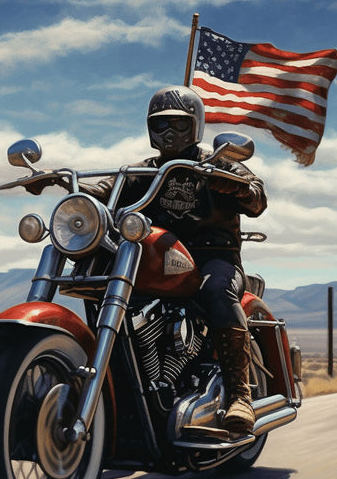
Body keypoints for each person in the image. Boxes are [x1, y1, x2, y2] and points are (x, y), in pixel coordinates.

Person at [28, 85, 267, 436]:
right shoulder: (140, 172)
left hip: (212, 256)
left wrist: (236, 185)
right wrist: (65, 184)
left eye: (178, 124)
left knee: (217, 291)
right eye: (160, 125)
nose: (169, 133)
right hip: (155, 255)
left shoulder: (218, 165)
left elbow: (257, 198)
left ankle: (239, 396)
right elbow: (105, 189)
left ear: (196, 125)